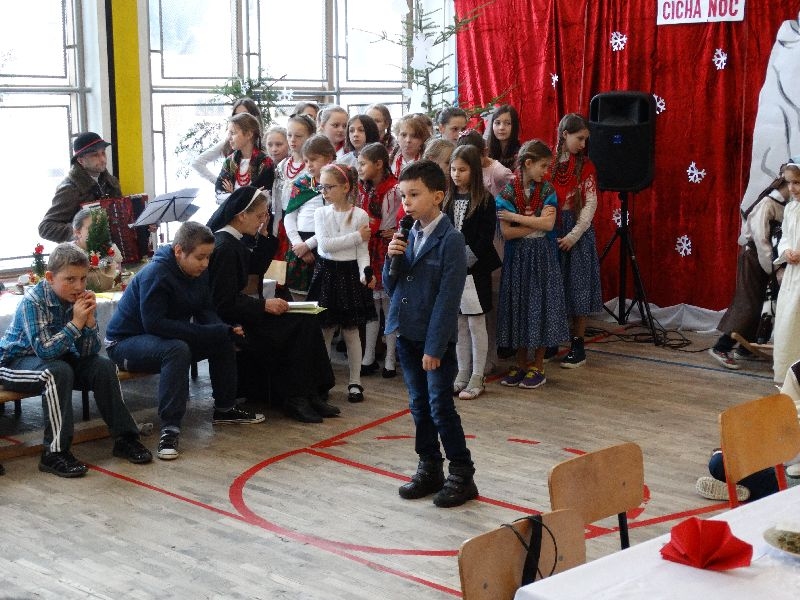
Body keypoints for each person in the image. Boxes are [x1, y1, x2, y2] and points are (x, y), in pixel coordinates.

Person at [105, 222, 265, 461]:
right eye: (200, 257)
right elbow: (155, 324)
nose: (205, 264)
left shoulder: (198, 272)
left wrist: (225, 330)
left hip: (159, 339)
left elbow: (205, 310)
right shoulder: (156, 274)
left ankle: (225, 409)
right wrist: (211, 331)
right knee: (177, 349)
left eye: (208, 257)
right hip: (124, 343)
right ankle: (170, 429)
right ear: (179, 251)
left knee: (220, 338)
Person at [0, 243, 152, 477]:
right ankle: (54, 453)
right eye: (70, 279)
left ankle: (125, 438)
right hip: (15, 363)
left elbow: (88, 352)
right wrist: (76, 323)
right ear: (50, 278)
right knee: (56, 372)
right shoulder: (34, 300)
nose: (79, 286)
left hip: (57, 359)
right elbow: (45, 351)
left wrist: (89, 324)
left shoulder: (79, 298)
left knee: (103, 366)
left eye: (82, 279)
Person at [383, 159, 477, 508]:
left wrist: (435, 347)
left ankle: (462, 473)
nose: (406, 203)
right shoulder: (407, 234)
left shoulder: (451, 240)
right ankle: (429, 466)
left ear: (438, 196)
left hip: (433, 340)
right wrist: (391, 259)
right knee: (419, 405)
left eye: (414, 195)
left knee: (440, 407)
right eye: (403, 196)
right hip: (406, 333)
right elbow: (391, 286)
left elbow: (448, 299)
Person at [206, 186, 336, 424]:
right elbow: (223, 302)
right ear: (241, 215)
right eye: (259, 216)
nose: (261, 221)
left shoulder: (233, 240)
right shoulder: (225, 246)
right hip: (232, 322)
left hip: (243, 312)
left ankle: (311, 393)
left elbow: (254, 267)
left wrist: (264, 234)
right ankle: (295, 397)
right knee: (295, 327)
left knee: (307, 319)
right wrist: (264, 306)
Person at [497, 140, 569, 389]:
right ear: (528, 163)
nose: (546, 171)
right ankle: (520, 363)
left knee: (541, 306)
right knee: (519, 306)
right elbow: (508, 233)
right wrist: (535, 222)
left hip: (542, 256)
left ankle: (538, 365)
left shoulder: (547, 190)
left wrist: (516, 217)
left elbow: (548, 225)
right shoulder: (508, 192)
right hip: (518, 257)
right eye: (543, 166)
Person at [307, 164, 377, 403]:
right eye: (321, 187)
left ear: (346, 187)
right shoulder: (320, 213)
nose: (324, 192)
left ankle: (355, 382)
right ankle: (324, 380)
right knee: (325, 330)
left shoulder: (360, 215)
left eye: (329, 187)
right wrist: (357, 236)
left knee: (351, 331)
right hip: (326, 273)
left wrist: (364, 273)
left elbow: (362, 252)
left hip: (349, 274)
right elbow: (325, 245)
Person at [709, 169, 789, 369]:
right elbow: (761, 241)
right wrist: (774, 269)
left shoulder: (788, 205)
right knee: (749, 303)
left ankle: (746, 348)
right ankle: (722, 346)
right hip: (756, 257)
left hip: (771, 260)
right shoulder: (768, 203)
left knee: (764, 304)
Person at [695, 358, 800, 502]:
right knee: (719, 462)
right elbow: (786, 422)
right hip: (788, 457)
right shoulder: (797, 371)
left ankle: (754, 491)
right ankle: (778, 491)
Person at [444, 145, 501, 400]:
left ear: (474, 171)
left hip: (474, 270)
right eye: (453, 169)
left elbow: (484, 238)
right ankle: (462, 372)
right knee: (459, 323)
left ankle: (478, 375)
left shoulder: (485, 200)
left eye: (462, 170)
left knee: (476, 321)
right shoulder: (447, 198)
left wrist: (464, 261)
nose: (456, 174)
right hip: (454, 270)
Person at [547, 113, 603, 368]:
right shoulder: (548, 163)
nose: (583, 144)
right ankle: (550, 340)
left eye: (585, 140)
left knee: (577, 288)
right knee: (552, 288)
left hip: (576, 234)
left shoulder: (586, 167)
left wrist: (573, 235)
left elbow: (590, 205)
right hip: (551, 229)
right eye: (579, 138)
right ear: (565, 134)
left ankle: (577, 345)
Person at [356, 143, 402, 378]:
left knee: (389, 305)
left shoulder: (394, 189)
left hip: (385, 248)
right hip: (368, 247)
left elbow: (398, 218)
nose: (359, 168)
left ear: (379, 164)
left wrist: (395, 230)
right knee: (372, 305)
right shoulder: (363, 189)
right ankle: (368, 355)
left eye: (363, 164)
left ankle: (391, 359)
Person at [39, 132, 122, 243]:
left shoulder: (111, 182)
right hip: (83, 252)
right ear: (80, 160)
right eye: (95, 155)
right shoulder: (70, 189)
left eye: (103, 153)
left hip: (113, 250)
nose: (102, 159)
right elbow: (45, 227)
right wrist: (81, 232)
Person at [284, 135, 337, 300]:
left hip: (325, 244)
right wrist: (298, 244)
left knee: (324, 298)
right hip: (299, 245)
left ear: (329, 158)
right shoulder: (301, 184)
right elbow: (289, 217)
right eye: (306, 161)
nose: (309, 165)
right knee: (300, 301)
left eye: (314, 159)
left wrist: (309, 245)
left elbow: (335, 220)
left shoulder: (337, 185)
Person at [272, 114, 316, 258]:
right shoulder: (282, 166)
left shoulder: (312, 169)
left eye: (298, 136)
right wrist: (275, 230)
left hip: (305, 229)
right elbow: (277, 203)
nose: (292, 140)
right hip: (284, 226)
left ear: (311, 137)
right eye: (289, 135)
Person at [773, 159, 800, 384]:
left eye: (797, 182)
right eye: (789, 182)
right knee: (789, 325)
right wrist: (786, 251)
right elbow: (785, 238)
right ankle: (790, 379)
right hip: (794, 276)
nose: (792, 188)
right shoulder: (791, 208)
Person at [192, 98, 263, 184]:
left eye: (245, 114)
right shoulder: (229, 143)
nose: (239, 119)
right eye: (236, 115)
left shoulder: (266, 143)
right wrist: (220, 183)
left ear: (254, 117)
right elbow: (197, 163)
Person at [215, 112, 275, 204]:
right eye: (229, 133)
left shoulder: (265, 162)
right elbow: (219, 193)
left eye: (233, 133)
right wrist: (246, 196)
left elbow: (262, 199)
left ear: (249, 134)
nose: (229, 138)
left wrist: (233, 194)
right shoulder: (229, 161)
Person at [455, 129, 514, 197]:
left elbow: (517, 188)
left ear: (485, 152)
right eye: (466, 161)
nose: (470, 165)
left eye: (474, 159)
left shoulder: (499, 173)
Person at [487, 105, 521, 171]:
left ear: (514, 126)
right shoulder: (485, 151)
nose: (501, 128)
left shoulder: (520, 155)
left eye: (507, 123)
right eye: (497, 123)